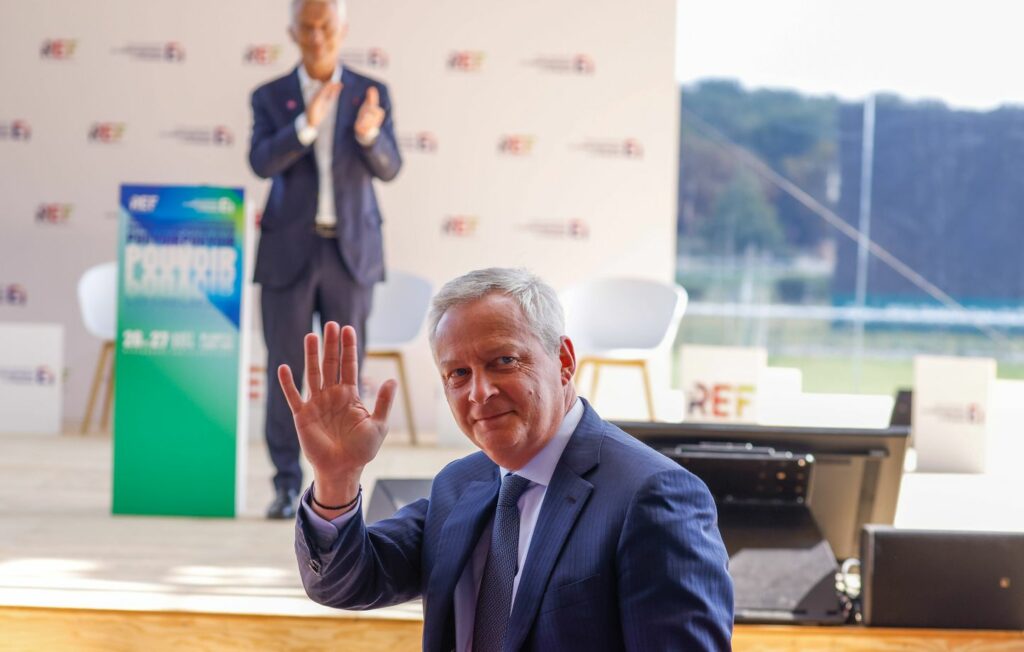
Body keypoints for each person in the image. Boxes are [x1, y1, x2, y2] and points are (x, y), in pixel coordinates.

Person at [279, 268, 734, 650]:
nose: (480, 392)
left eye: (503, 361)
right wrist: (336, 476)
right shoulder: (459, 485)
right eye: (458, 373)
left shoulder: (652, 496)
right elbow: (344, 583)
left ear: (563, 359)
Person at [249, 0, 401, 519]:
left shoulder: (371, 92)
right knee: (286, 372)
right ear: (293, 31)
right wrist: (305, 126)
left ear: (343, 29)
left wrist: (366, 134)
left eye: (327, 27)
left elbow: (389, 167)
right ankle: (286, 485)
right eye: (308, 28)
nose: (318, 37)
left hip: (350, 253)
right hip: (288, 253)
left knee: (345, 374)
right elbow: (261, 160)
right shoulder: (270, 96)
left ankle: (341, 484)